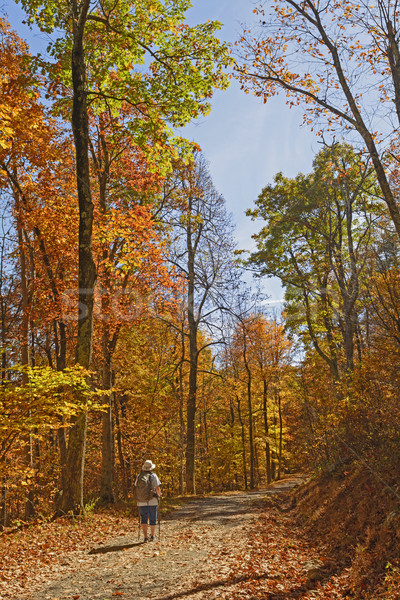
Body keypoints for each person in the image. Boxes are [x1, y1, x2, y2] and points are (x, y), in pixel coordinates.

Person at [135, 459, 161, 542]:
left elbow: (136, 486)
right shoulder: (153, 476)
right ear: (151, 468)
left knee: (144, 518)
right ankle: (152, 536)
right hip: (152, 500)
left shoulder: (139, 476)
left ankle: (145, 537)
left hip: (141, 501)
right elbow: (157, 488)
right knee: (152, 518)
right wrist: (159, 495)